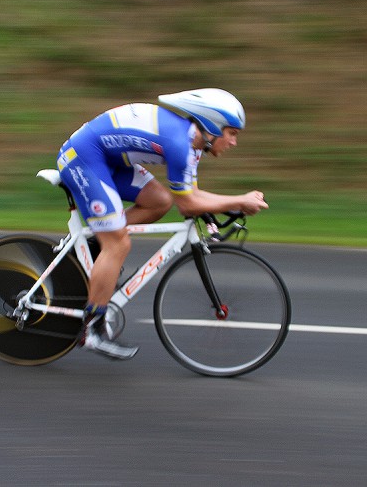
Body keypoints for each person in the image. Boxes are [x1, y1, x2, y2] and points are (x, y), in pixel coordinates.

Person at [56, 88, 269, 360]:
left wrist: (227, 204)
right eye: (232, 133)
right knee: (118, 244)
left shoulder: (193, 146)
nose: (234, 142)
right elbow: (189, 204)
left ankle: (96, 246)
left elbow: (189, 195)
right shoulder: (180, 145)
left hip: (109, 160)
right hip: (85, 159)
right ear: (213, 126)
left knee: (159, 201)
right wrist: (238, 201)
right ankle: (91, 330)